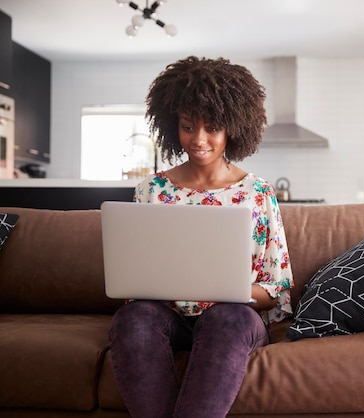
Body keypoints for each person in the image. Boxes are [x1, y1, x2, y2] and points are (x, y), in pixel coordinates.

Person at [108, 56, 294, 418]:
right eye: (188, 126)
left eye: (212, 128)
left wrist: (222, 289)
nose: (199, 140)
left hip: (233, 321)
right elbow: (134, 281)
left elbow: (278, 291)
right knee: (132, 319)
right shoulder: (152, 191)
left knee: (229, 318)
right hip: (168, 319)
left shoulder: (257, 193)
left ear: (233, 127)